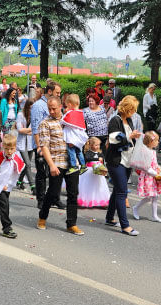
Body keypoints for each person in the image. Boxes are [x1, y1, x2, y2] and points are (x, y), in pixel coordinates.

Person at [36, 96, 84, 236]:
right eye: (49, 109)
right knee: (53, 192)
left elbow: (80, 135)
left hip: (72, 162)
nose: (51, 111)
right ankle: (42, 217)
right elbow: (44, 146)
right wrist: (51, 165)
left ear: (60, 107)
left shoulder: (69, 120)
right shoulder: (45, 123)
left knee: (73, 194)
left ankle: (71, 224)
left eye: (54, 108)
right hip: (56, 162)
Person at [105, 95, 142, 235]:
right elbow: (114, 139)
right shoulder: (115, 120)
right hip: (116, 160)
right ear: (126, 108)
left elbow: (128, 139)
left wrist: (134, 136)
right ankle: (125, 226)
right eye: (132, 109)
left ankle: (109, 218)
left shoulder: (130, 120)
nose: (134, 112)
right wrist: (130, 137)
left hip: (127, 160)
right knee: (122, 191)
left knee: (117, 190)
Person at [32, 81, 64, 210]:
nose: (59, 95)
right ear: (50, 92)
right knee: (42, 174)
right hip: (42, 145)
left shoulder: (55, 104)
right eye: (57, 92)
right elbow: (35, 128)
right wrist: (39, 147)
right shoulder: (39, 106)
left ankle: (55, 198)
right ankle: (41, 199)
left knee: (56, 173)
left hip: (55, 147)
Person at [132, 131, 161, 222]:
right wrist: (156, 174)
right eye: (157, 140)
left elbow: (155, 164)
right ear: (151, 142)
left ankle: (154, 215)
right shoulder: (145, 152)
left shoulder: (153, 152)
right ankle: (136, 207)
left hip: (154, 176)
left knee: (155, 196)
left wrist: (160, 168)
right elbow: (146, 167)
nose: (158, 142)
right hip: (148, 177)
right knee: (148, 197)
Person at [78, 137, 110, 208]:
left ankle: (101, 202)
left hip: (98, 171)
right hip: (90, 171)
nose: (97, 146)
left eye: (98, 145)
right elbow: (87, 158)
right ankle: (87, 201)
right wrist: (97, 159)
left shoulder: (100, 153)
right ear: (91, 145)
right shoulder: (88, 152)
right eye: (96, 145)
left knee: (99, 186)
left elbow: (103, 158)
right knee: (89, 186)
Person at [61, 94, 88, 175]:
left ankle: (74, 166)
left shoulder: (70, 113)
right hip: (79, 139)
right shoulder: (80, 112)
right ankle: (83, 165)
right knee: (79, 152)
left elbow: (63, 121)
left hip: (71, 138)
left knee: (71, 151)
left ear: (69, 104)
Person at [16, 99, 36, 194]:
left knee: (25, 165)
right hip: (22, 142)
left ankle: (19, 181)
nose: (32, 109)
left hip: (30, 143)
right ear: (27, 107)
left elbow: (36, 129)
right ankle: (33, 186)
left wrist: (27, 130)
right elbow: (19, 129)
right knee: (28, 164)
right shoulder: (20, 115)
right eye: (31, 108)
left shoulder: (34, 115)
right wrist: (30, 130)